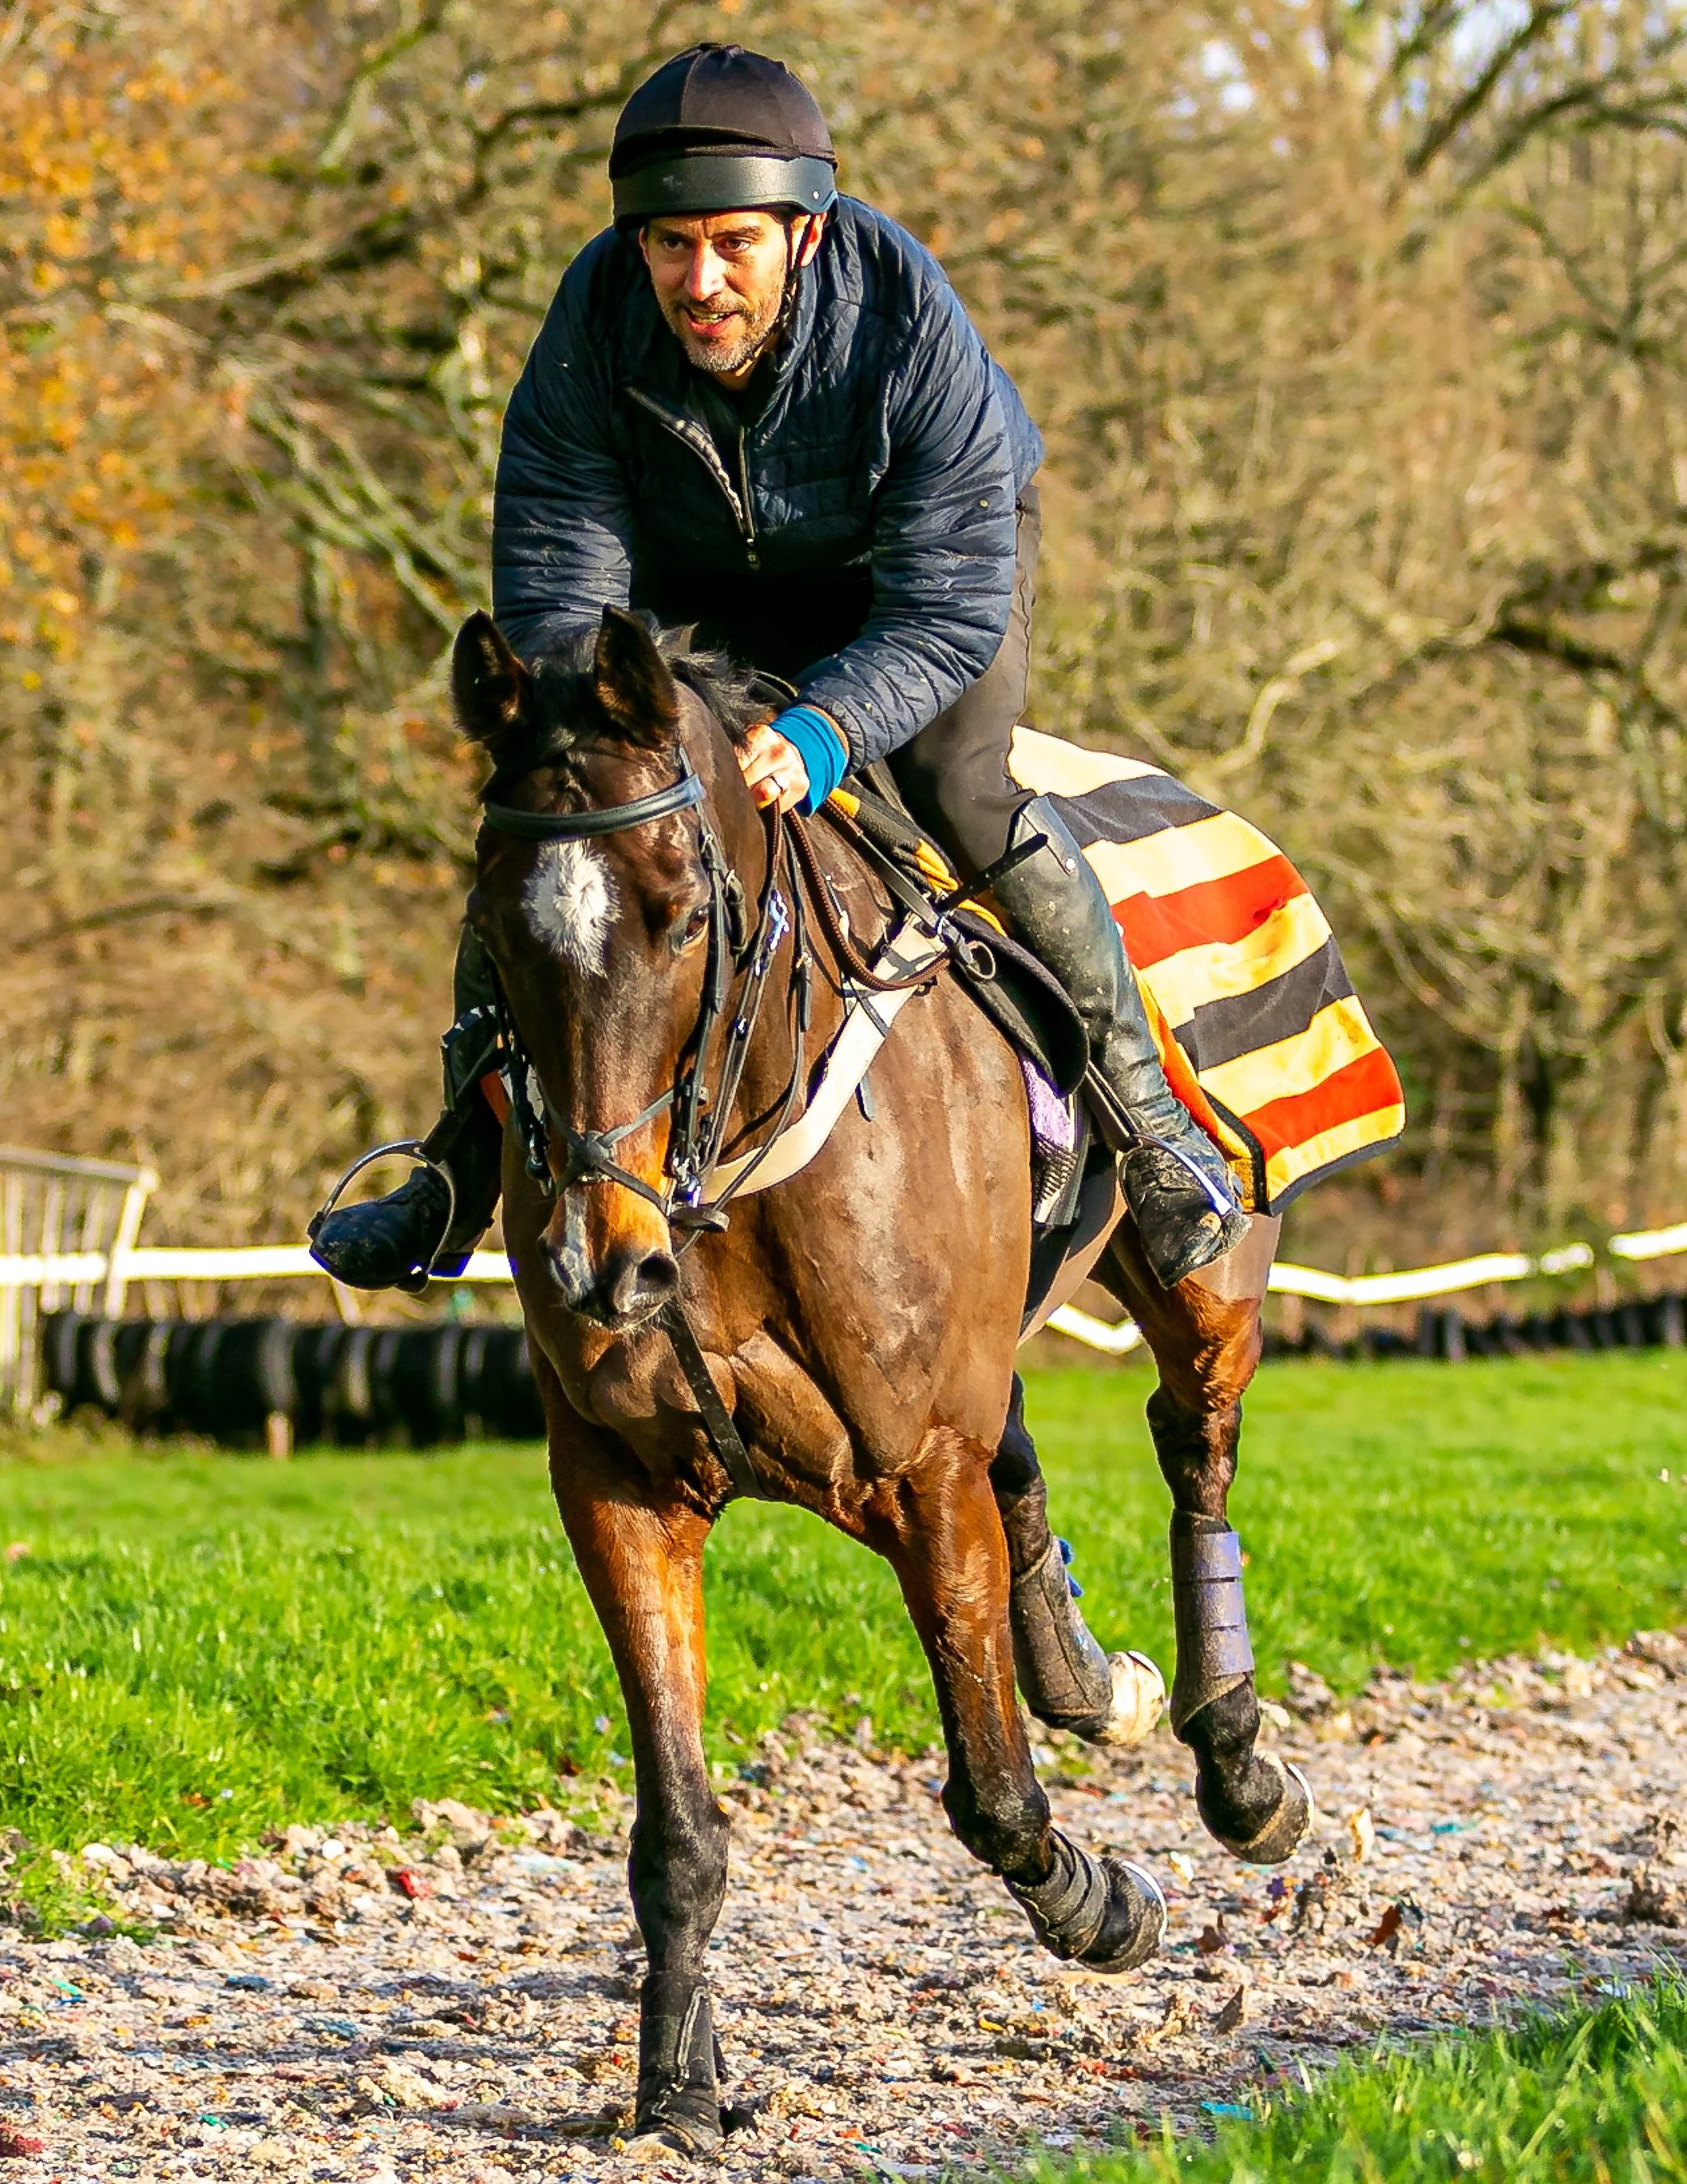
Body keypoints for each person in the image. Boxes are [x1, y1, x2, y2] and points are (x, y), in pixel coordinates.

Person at [310, 43, 1245, 1294]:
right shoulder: (589, 323)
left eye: (732, 245)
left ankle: (1153, 1129)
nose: (698, 283)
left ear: (804, 234)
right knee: (562, 822)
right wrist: (593, 729)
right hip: (700, 594)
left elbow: (947, 602)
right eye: (669, 247)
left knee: (964, 785)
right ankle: (455, 1165)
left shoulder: (910, 321)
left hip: (916, 591)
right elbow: (557, 585)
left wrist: (826, 728)